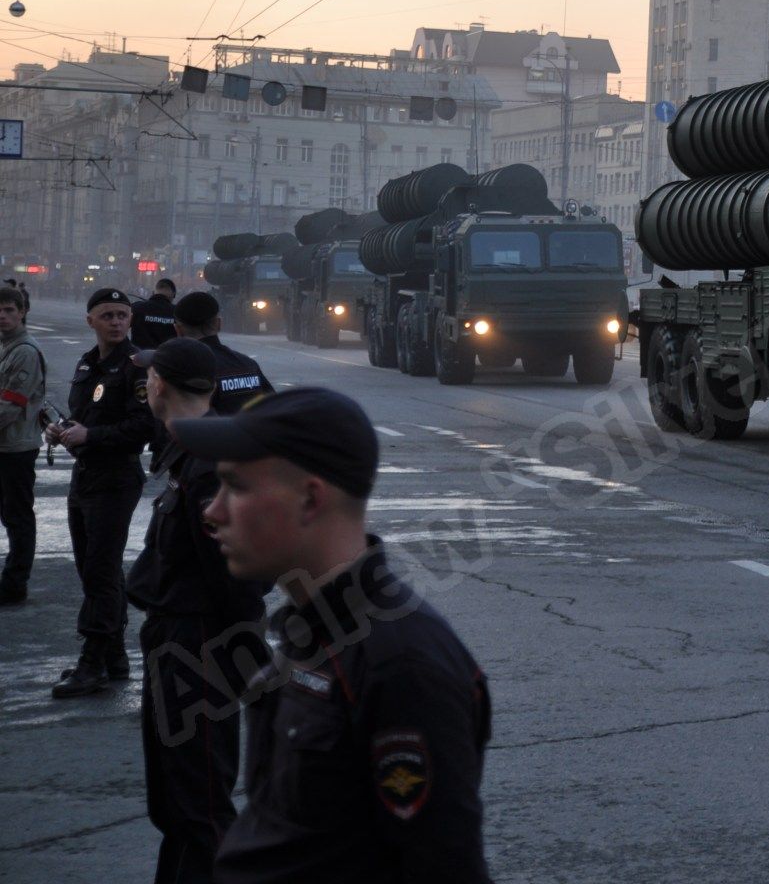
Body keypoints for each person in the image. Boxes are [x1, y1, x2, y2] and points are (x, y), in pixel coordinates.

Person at [181, 389, 494, 881]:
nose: (212, 511)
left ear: (310, 498)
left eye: (235, 487)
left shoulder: (401, 664)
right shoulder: (315, 629)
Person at [126, 338, 269, 884]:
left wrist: (236, 658)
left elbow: (235, 577)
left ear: (159, 384)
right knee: (175, 806)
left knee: (200, 807)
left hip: (199, 645)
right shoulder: (190, 451)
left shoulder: (208, 463)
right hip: (177, 638)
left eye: (151, 377)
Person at [47, 288, 156, 697]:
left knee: (99, 570)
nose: (115, 321)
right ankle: (115, 658)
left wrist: (91, 434)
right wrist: (62, 431)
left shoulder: (136, 368)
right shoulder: (87, 363)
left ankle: (92, 662)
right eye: (107, 315)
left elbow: (146, 427)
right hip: (86, 475)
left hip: (116, 478)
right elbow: (82, 413)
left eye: (122, 315)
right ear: (90, 320)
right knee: (92, 569)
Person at [0, 285, 46, 605]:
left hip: (16, 447)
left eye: (9, 311)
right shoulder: (6, 346)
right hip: (5, 444)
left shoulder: (25, 351)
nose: (3, 317)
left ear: (22, 312)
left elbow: (10, 406)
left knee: (17, 516)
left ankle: (15, 583)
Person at [173, 291, 274, 413]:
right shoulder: (249, 365)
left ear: (178, 330)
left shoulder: (178, 369)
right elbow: (274, 409)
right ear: (219, 324)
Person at [131, 278, 180, 351]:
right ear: (173, 294)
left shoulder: (137, 308)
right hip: (167, 358)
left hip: (138, 358)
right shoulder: (178, 312)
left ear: (153, 292)